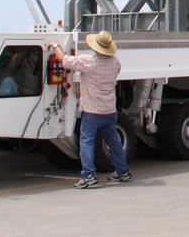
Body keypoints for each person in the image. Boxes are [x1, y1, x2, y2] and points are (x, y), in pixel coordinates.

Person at [53, 31, 131, 188]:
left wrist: (54, 46)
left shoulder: (88, 61)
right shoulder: (115, 63)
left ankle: (88, 175)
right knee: (114, 141)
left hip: (92, 110)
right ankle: (123, 171)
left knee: (86, 142)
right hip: (109, 110)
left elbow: (63, 60)